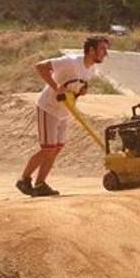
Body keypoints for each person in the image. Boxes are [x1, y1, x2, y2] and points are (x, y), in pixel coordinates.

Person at [16, 36, 110, 197]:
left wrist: (80, 92)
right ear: (91, 50)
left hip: (64, 111)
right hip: (49, 107)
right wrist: (55, 87)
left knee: (56, 149)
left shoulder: (91, 69)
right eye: (102, 49)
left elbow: (75, 86)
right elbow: (40, 67)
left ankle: (40, 184)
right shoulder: (72, 62)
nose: (105, 53)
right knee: (48, 149)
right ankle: (24, 179)